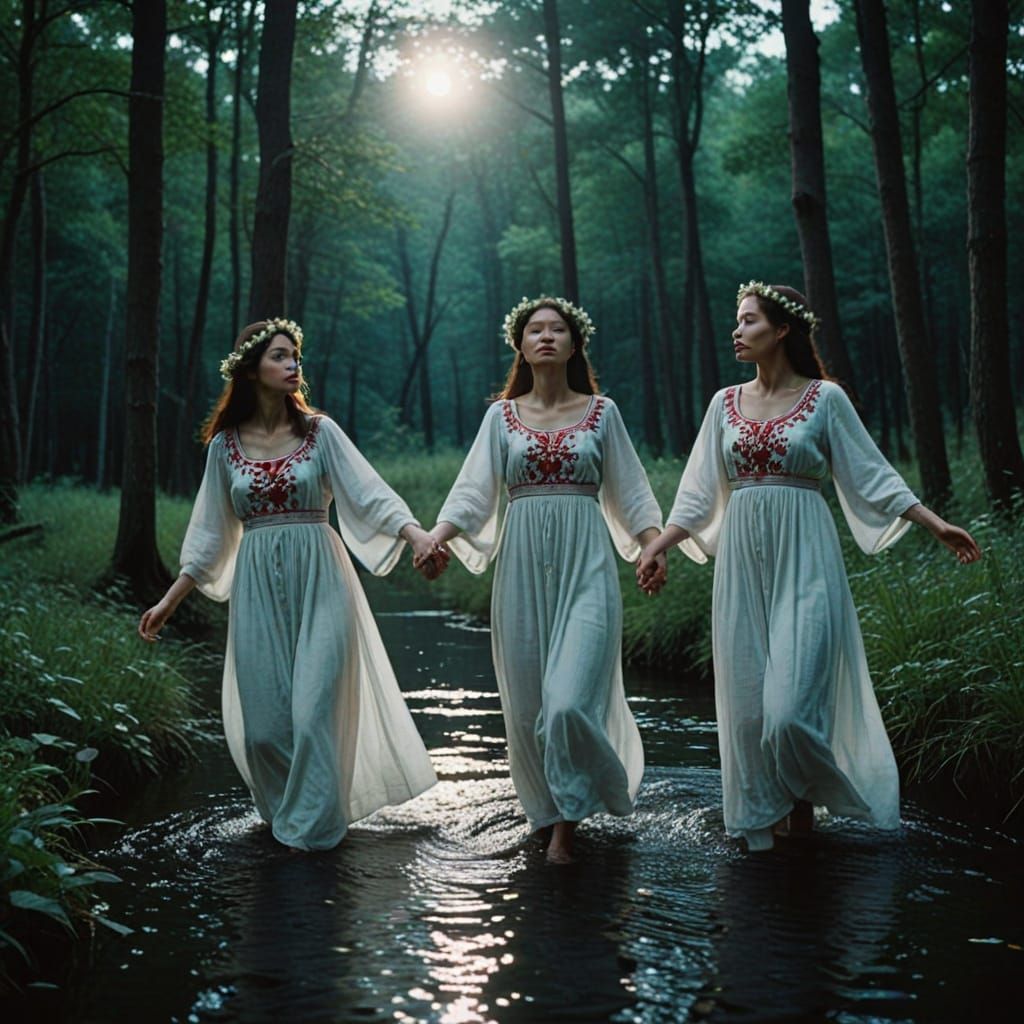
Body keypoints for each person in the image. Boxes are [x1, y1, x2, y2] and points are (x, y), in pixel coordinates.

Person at [637, 282, 981, 851]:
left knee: (791, 712)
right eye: (736, 321)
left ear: (782, 329)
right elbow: (698, 496)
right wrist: (661, 544)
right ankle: (781, 822)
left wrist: (933, 521)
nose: (737, 331)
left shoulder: (824, 399)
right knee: (750, 711)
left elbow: (869, 473)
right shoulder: (723, 403)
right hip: (743, 564)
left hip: (808, 558)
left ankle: (832, 795)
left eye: (748, 321)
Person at [138, 319, 442, 851]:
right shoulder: (225, 449)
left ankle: (312, 846)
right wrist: (168, 601)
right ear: (251, 369)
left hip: (322, 578)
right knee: (266, 731)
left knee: (314, 713)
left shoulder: (319, 433)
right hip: (257, 587)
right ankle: (288, 823)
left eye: (295, 355)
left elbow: (369, 494)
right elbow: (209, 533)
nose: (293, 364)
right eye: (280, 356)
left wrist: (416, 535)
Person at [422, 296, 666, 864]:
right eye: (537, 329)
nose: (548, 337)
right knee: (531, 709)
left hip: (588, 569)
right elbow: (472, 492)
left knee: (566, 705)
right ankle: (551, 810)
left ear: (576, 344)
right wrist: (438, 537)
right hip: (521, 573)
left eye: (559, 329)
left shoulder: (601, 413)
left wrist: (653, 547)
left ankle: (575, 820)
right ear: (520, 344)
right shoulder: (500, 417)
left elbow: (631, 490)